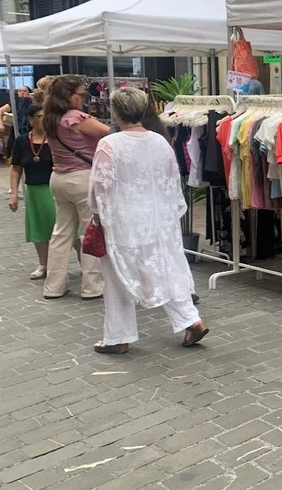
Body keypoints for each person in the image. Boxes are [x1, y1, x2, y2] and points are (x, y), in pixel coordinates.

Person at [88, 88, 208, 354]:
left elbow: (100, 187)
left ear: (116, 113)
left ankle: (119, 336)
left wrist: (97, 215)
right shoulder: (160, 142)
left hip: (123, 220)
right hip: (157, 218)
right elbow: (172, 180)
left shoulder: (110, 144)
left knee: (117, 276)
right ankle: (190, 319)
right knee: (165, 268)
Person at [41, 76, 109, 299]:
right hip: (82, 178)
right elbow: (107, 132)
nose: (83, 99)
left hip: (58, 177)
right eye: (81, 94)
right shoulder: (74, 117)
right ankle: (92, 286)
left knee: (61, 233)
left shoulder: (50, 118)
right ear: (69, 96)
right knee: (90, 230)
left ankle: (54, 285)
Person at [8, 103, 58, 279]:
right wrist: (14, 193)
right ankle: (43, 264)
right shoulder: (22, 141)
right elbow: (16, 168)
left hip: (54, 189)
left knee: (65, 227)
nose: (43, 120)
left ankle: (82, 262)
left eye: (45, 116)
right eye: (39, 117)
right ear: (30, 120)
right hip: (34, 190)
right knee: (39, 229)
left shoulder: (55, 138)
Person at [0, 84, 32, 157]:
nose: (22, 93)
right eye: (20, 91)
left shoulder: (33, 102)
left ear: (29, 92)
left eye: (24, 91)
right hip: (16, 128)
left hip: (29, 128)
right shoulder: (14, 102)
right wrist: (1, 124)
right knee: (12, 148)